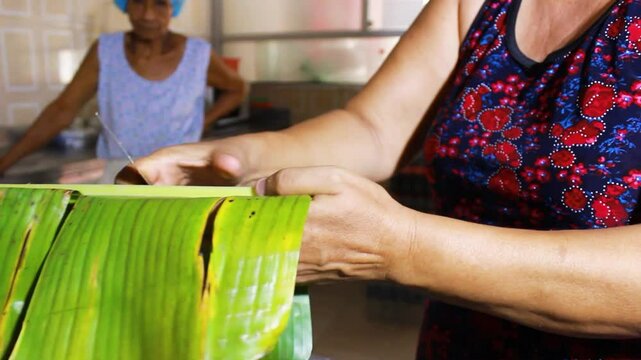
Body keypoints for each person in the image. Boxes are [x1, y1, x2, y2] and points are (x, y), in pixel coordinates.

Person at [118, 0, 641, 358]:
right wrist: (235, 156)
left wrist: (403, 248)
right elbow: (373, 127)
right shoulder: (477, 5)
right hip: (458, 342)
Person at [0, 0, 247, 182]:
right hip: (119, 175)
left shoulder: (197, 54)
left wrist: (205, 122)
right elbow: (62, 110)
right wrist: (5, 163)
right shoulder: (106, 52)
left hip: (180, 175)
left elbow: (237, 88)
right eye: (139, 2)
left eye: (160, 4)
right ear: (125, 5)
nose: (148, 14)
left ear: (174, 7)